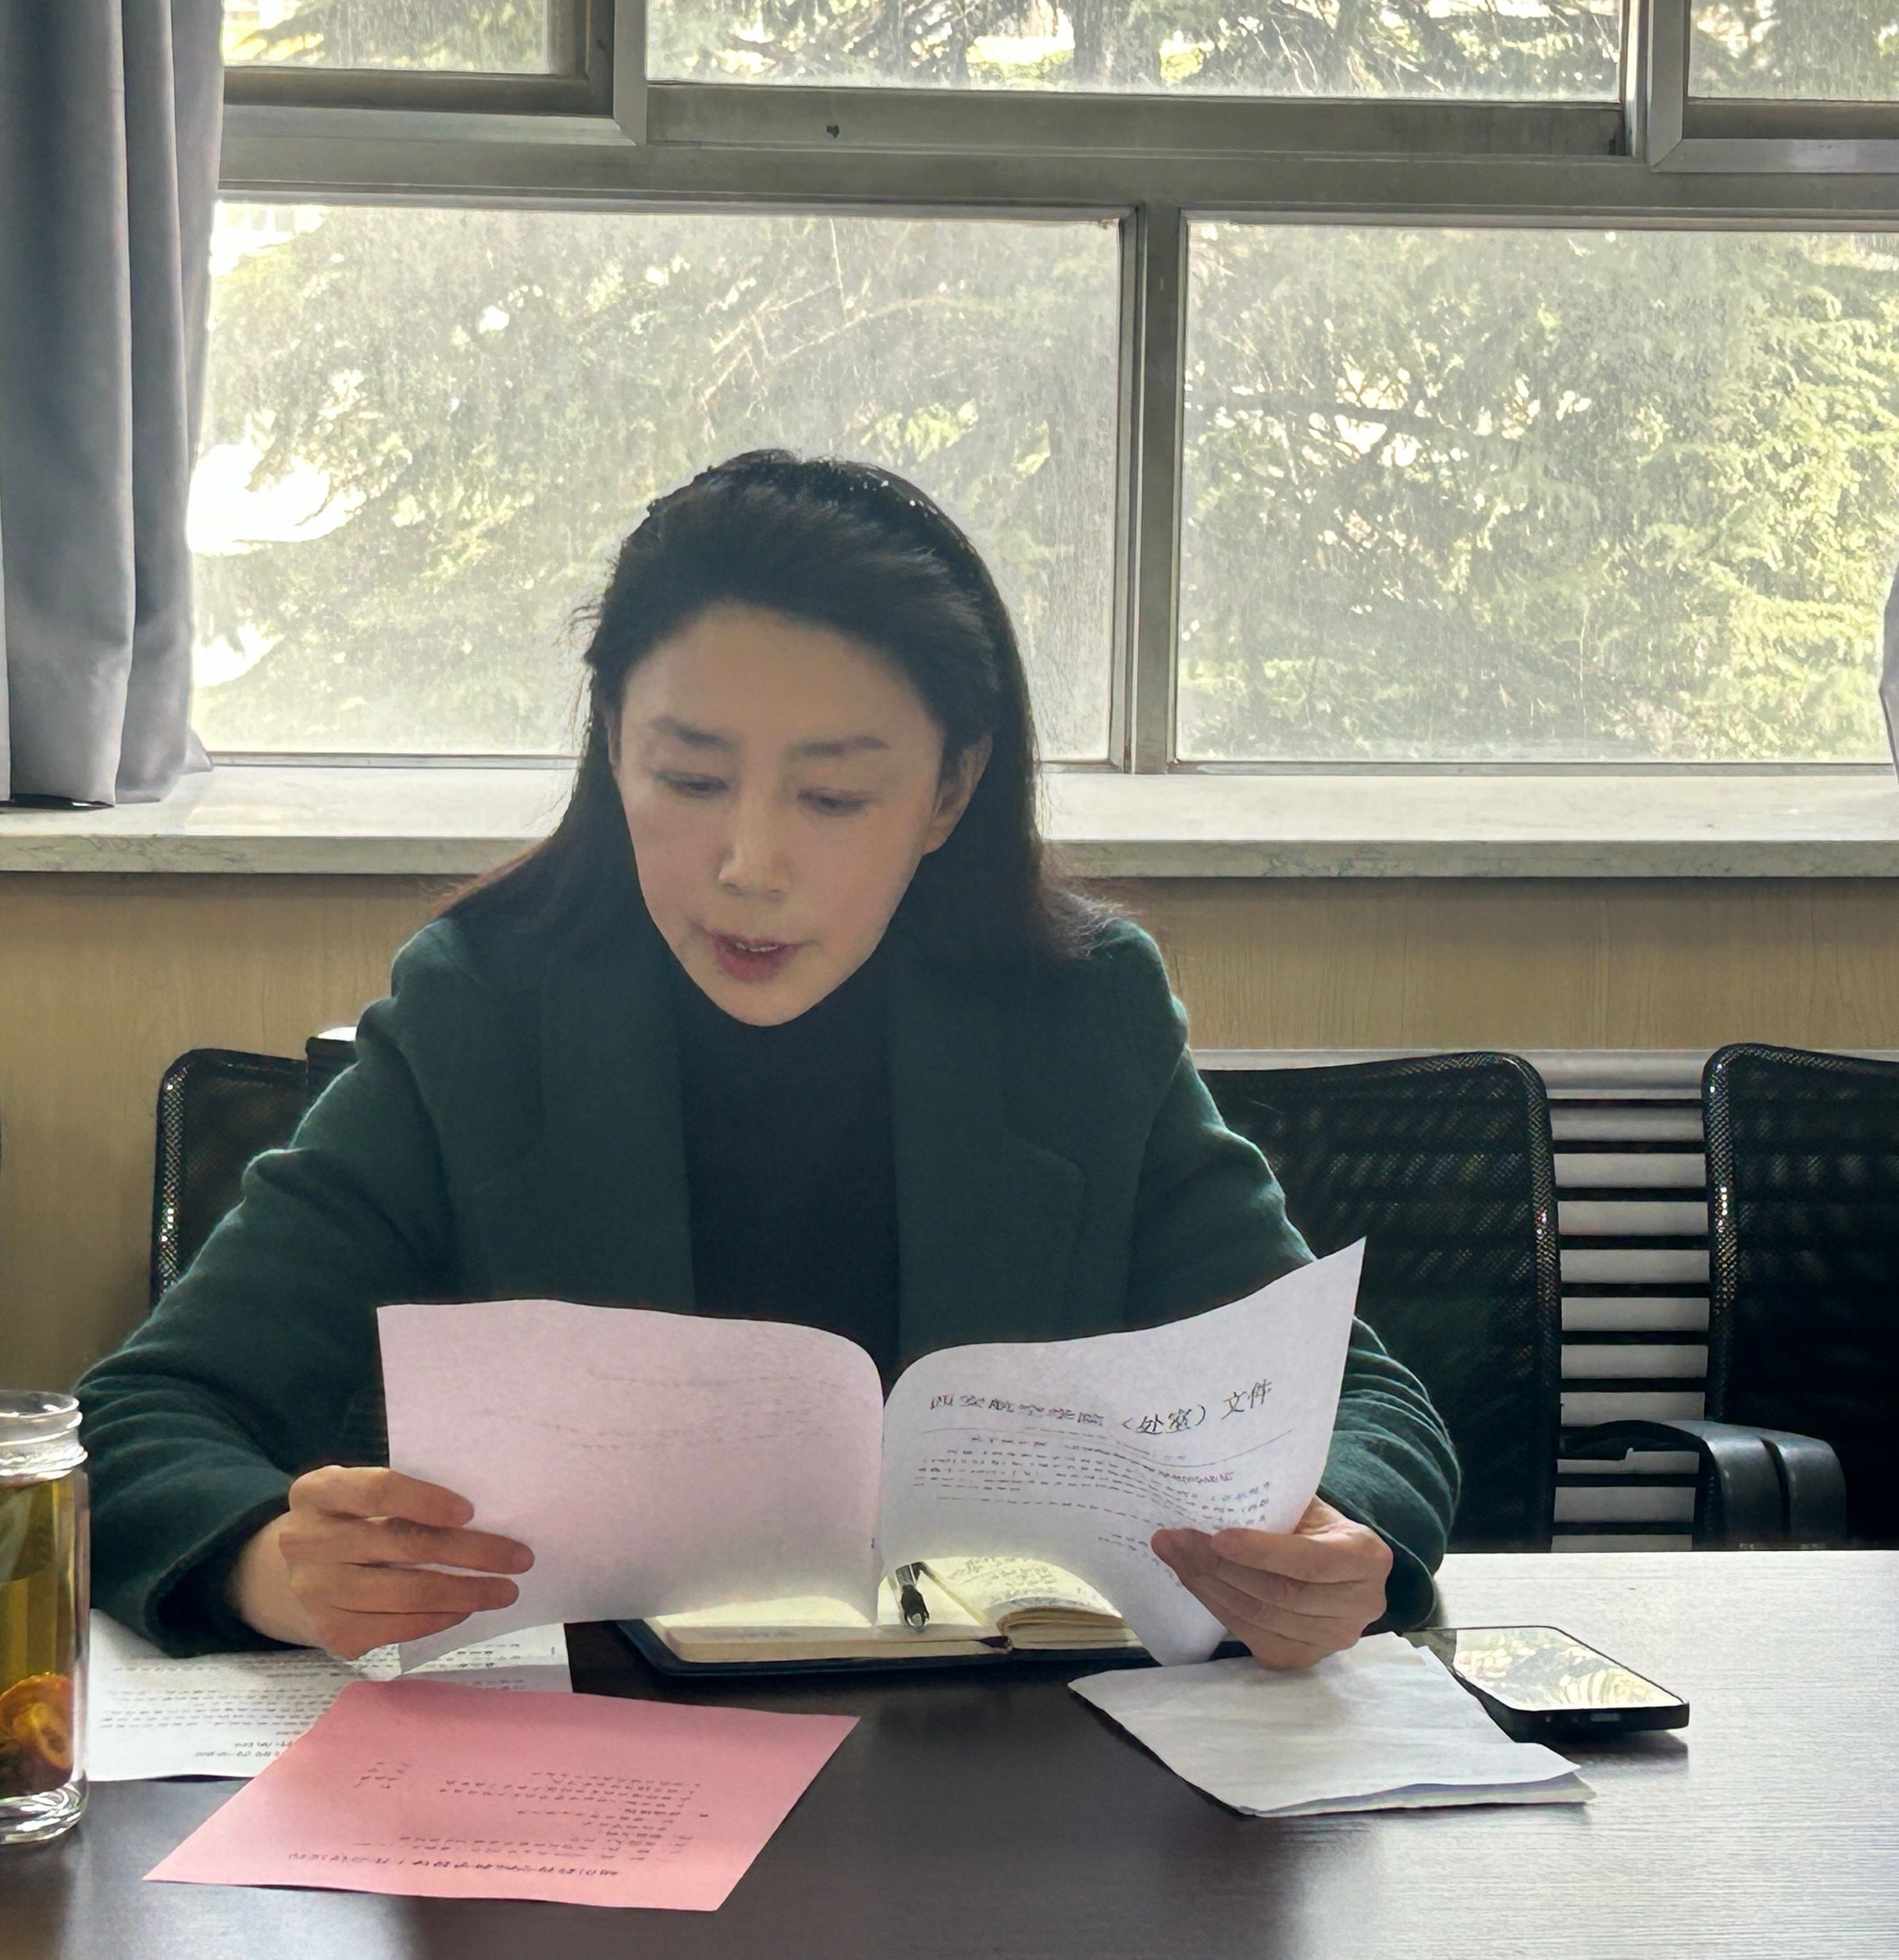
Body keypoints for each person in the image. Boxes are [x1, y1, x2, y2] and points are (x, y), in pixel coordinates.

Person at [76, 448, 1458, 1671]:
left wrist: (1341, 1545)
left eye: (833, 796)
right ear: (612, 745)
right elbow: (137, 1415)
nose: (749, 864)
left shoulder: (1078, 1020)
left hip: (1004, 1769)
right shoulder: (481, 1014)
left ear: (951, 791)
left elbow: (1361, 1403)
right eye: (687, 779)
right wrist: (270, 1565)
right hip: (597, 1770)